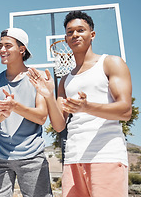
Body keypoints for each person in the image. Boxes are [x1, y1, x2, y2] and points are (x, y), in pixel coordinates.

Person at [28, 11, 132, 197]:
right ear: (65, 39)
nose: (75, 34)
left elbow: (125, 111)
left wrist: (87, 107)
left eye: (80, 30)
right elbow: (59, 125)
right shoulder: (64, 80)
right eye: (70, 32)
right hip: (73, 158)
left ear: (92, 34)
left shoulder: (111, 63)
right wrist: (48, 95)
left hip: (106, 156)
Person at [0, 28, 53, 197]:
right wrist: (3, 114)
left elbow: (42, 117)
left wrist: (15, 107)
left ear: (22, 49)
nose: (2, 50)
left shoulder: (38, 77)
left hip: (32, 156)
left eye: (7, 45)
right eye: (0, 46)